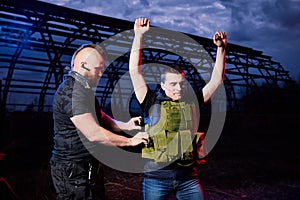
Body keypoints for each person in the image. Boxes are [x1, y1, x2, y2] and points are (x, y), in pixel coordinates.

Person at [129, 18, 227, 200]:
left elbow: (216, 81)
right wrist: (139, 36)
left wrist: (221, 49)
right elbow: (135, 71)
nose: (179, 88)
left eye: (182, 84)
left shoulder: (192, 101)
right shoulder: (150, 100)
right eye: (173, 84)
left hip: (188, 179)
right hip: (156, 179)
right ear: (162, 85)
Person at [50, 43, 149, 200]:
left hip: (87, 165)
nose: (101, 74)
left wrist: (126, 125)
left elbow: (101, 117)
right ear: (83, 65)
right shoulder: (71, 92)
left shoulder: (84, 90)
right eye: (98, 68)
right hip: (72, 169)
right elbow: (94, 133)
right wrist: (130, 141)